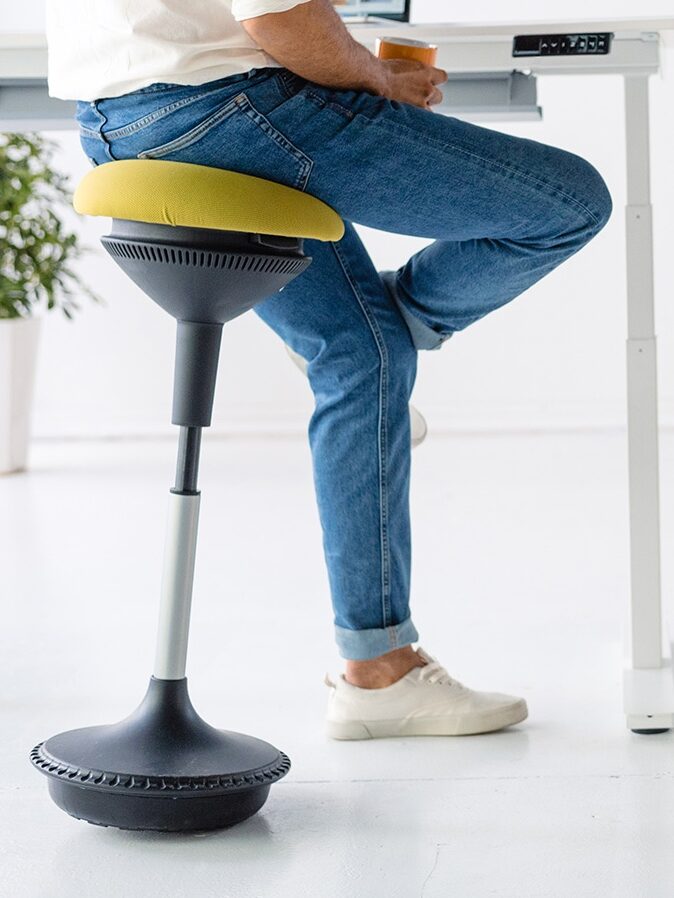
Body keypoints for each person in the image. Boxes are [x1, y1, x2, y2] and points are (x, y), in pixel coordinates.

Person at [46, 0, 612, 739]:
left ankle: (379, 672)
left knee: (360, 358)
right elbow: (280, 20)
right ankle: (405, 324)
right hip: (229, 110)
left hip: (113, 124)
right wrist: (374, 74)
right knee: (570, 202)